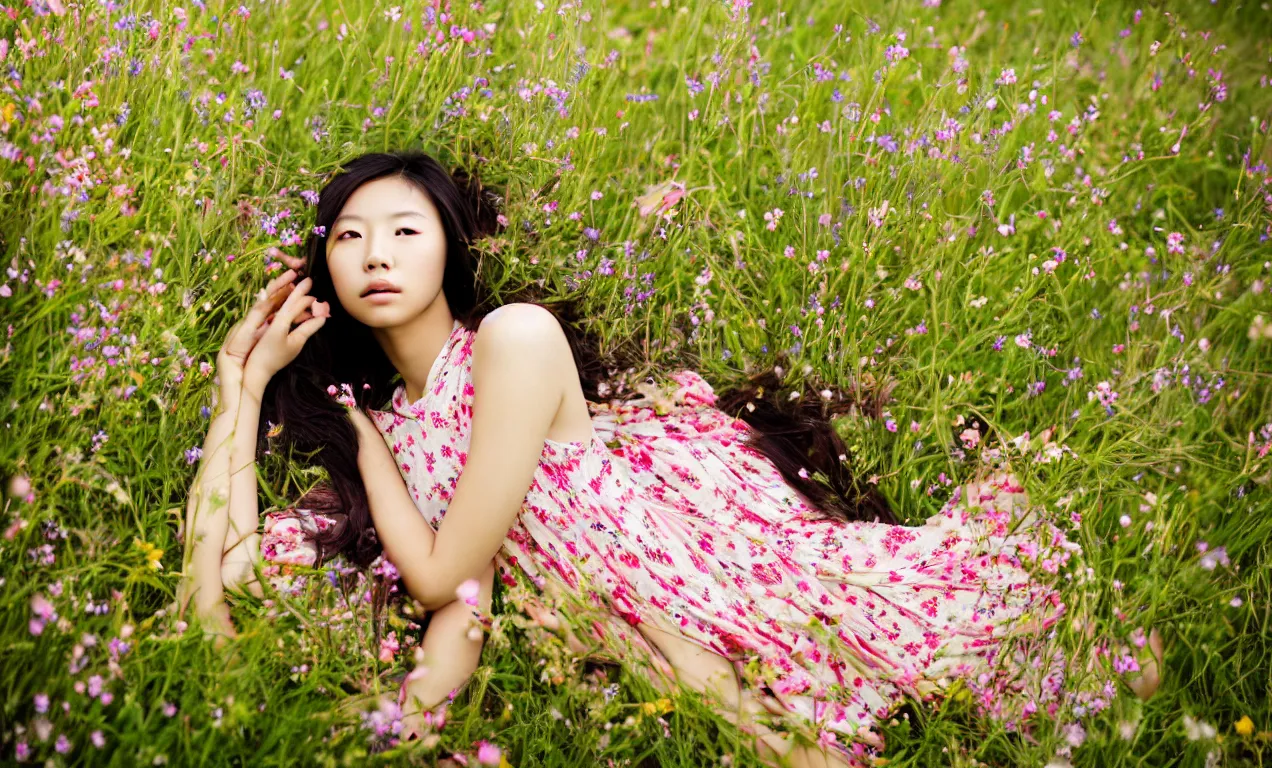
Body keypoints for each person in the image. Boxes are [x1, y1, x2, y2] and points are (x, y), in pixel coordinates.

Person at [178, 150, 1162, 767]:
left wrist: (359, 442)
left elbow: (443, 578)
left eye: (404, 229)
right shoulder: (389, 430)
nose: (378, 254)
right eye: (350, 237)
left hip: (675, 587)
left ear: (449, 253)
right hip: (602, 633)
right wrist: (243, 385)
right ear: (326, 273)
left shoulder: (513, 343)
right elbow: (212, 595)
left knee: (900, 642)